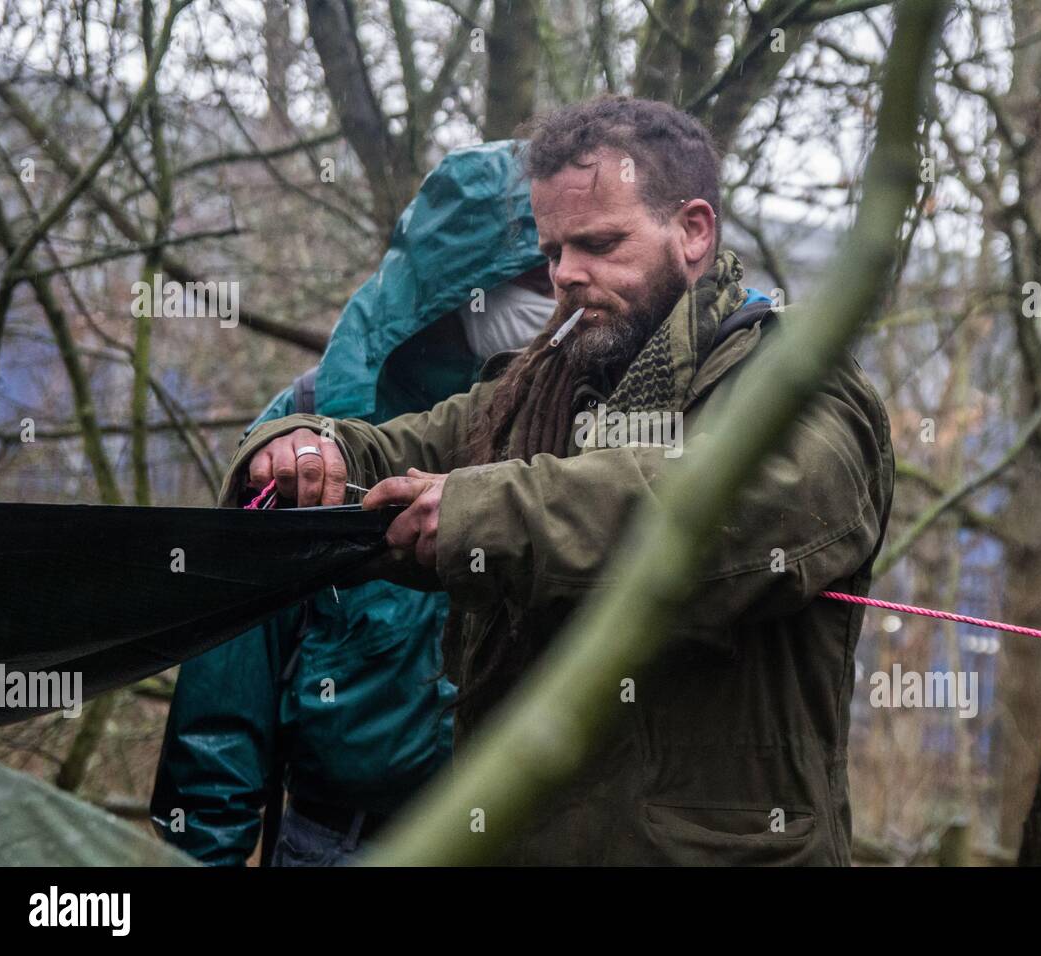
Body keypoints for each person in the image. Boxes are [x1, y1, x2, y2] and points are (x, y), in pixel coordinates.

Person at [218, 97, 895, 865]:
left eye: (601, 244)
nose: (568, 276)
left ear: (693, 232)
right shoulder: (543, 383)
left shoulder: (799, 384)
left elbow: (731, 508)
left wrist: (481, 514)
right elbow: (401, 442)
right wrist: (298, 443)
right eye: (554, 252)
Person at [149, 142, 553, 866]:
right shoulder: (307, 432)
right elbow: (226, 695)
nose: (557, 294)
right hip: (340, 841)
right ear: (465, 283)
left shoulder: (572, 422)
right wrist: (199, 857)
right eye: (535, 273)